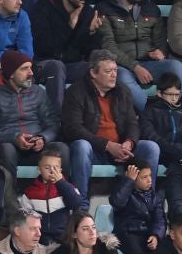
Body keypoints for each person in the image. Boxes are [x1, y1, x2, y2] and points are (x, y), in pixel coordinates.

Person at [61, 51, 163, 198]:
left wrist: (129, 142)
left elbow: (132, 123)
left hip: (121, 149)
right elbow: (73, 129)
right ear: (93, 73)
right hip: (95, 150)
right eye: (108, 71)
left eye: (115, 70)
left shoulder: (122, 91)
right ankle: (81, 205)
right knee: (81, 146)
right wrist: (107, 145)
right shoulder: (76, 92)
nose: (114, 75)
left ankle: (147, 201)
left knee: (150, 147)